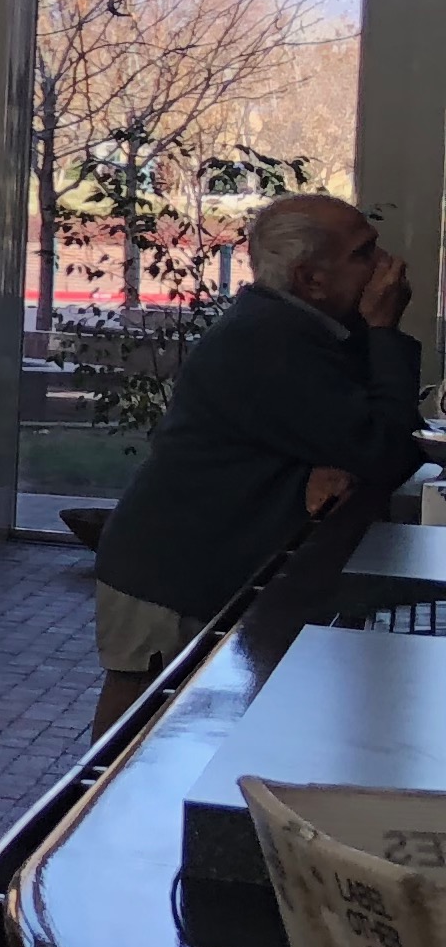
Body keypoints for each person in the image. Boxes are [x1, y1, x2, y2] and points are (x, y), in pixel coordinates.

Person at [88, 193, 427, 732]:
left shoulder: (304, 329)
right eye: (365, 253)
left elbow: (353, 430)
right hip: (172, 569)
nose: (388, 265)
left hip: (205, 559)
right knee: (139, 724)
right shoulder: (269, 340)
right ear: (311, 280)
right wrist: (385, 332)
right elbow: (384, 448)